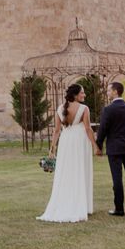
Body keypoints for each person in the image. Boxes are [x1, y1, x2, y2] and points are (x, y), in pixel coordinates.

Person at [37, 84, 100, 222]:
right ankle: (81, 205)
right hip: (79, 141)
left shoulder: (60, 108)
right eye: (82, 93)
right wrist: (95, 146)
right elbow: (88, 129)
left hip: (65, 142)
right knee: (80, 170)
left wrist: (52, 148)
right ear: (75, 95)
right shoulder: (84, 108)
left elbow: (57, 131)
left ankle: (68, 202)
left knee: (67, 171)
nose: (84, 95)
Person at [95, 81, 125, 216]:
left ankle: (119, 209)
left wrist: (99, 145)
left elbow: (102, 130)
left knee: (117, 178)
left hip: (114, 148)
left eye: (109, 90)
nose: (107, 93)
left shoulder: (108, 110)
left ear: (115, 91)